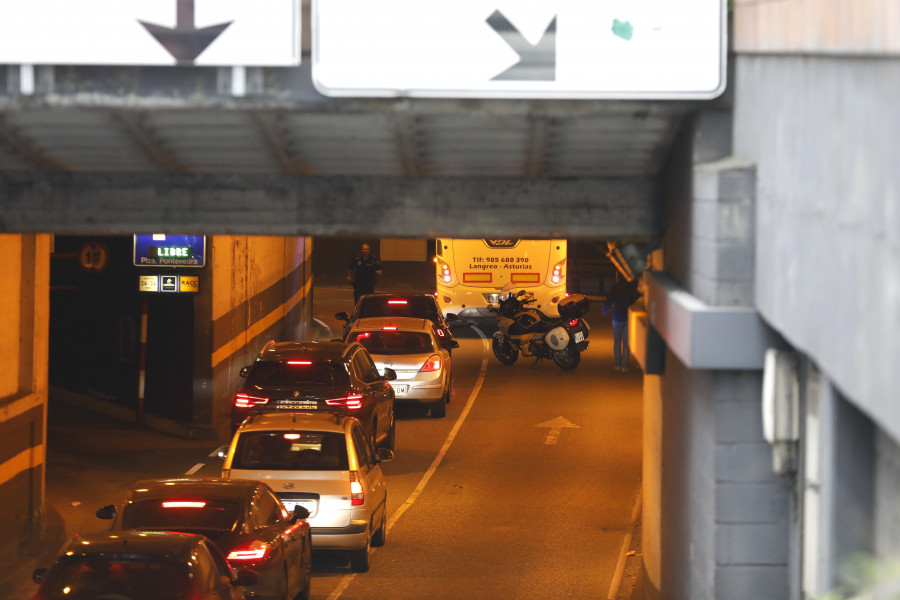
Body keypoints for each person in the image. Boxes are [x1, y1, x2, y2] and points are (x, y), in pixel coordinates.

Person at [602, 272, 641, 372]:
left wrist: (605, 309)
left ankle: (617, 365)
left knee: (617, 342)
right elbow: (636, 299)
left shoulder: (614, 287)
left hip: (617, 317)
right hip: (628, 318)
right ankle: (624, 365)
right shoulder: (631, 287)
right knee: (627, 343)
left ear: (617, 277)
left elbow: (609, 300)